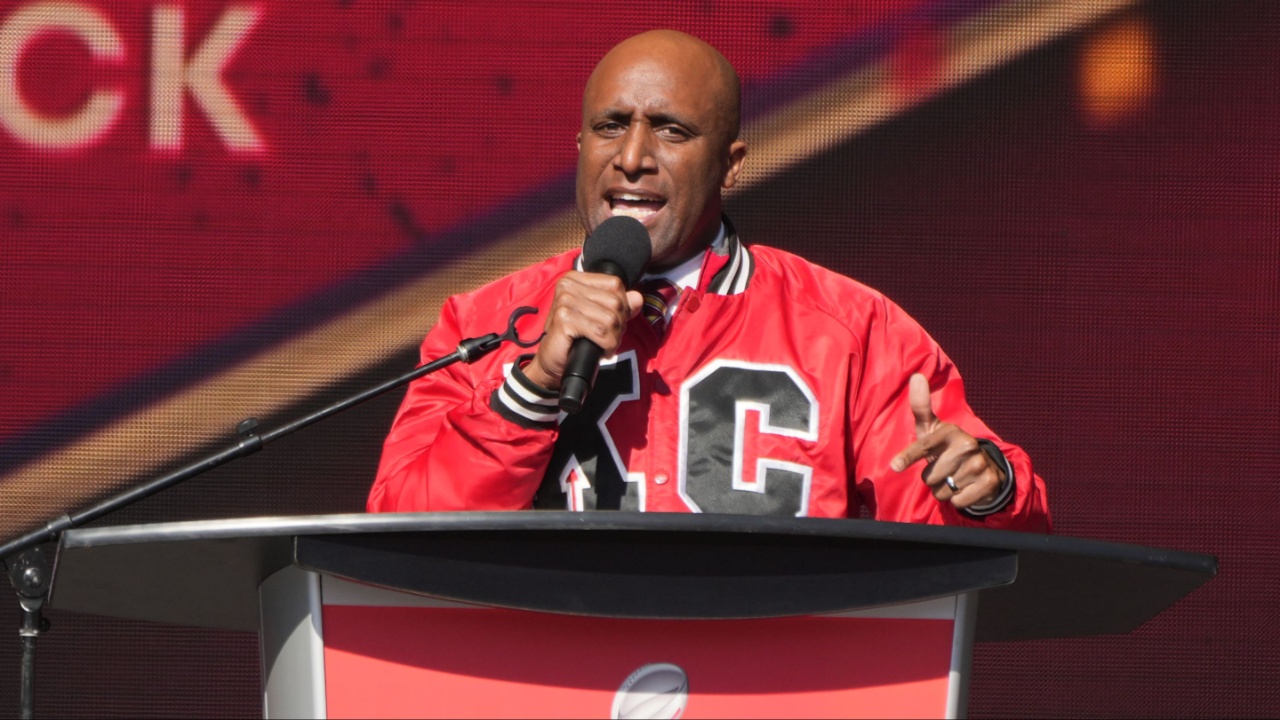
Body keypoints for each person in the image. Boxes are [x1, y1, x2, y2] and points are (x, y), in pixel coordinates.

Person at [367, 30, 1050, 531]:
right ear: (579, 148)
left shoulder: (851, 328)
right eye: (611, 127)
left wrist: (985, 493)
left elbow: (965, 556)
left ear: (730, 164)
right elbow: (401, 536)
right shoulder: (484, 323)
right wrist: (533, 388)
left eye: (670, 131)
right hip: (549, 665)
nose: (632, 157)